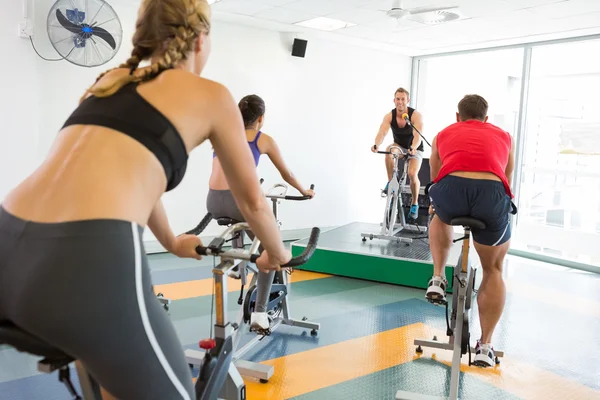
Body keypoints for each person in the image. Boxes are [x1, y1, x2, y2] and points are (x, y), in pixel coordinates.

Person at [0, 1, 292, 399]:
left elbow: (119, 172)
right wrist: (277, 254)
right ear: (201, 39)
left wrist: (171, 240)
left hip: (7, 237)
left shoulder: (108, 81)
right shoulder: (212, 96)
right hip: (84, 257)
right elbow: (255, 203)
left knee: (108, 376)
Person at [207, 94, 315, 332]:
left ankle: (239, 266)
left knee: (246, 225)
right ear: (261, 118)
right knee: (271, 250)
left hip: (213, 203)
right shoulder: (261, 139)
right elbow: (287, 174)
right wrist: (304, 190)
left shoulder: (222, 134)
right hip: (239, 202)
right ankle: (260, 313)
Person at [426, 94, 515, 368]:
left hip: (452, 191)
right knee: (494, 269)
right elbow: (506, 177)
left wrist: (439, 203)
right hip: (491, 195)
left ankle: (438, 277)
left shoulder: (444, 133)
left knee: (438, 212)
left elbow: (435, 176)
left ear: (458, 117)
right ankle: (485, 346)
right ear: (486, 119)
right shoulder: (504, 136)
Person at [372, 87, 425, 220]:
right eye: (397, 99)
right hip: (400, 146)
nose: (400, 102)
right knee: (390, 150)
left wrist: (413, 147)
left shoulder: (415, 115)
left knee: (412, 174)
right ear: (394, 100)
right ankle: (391, 182)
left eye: (403, 99)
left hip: (415, 148)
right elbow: (382, 132)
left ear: (408, 100)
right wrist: (377, 144)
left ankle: (414, 204)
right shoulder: (389, 116)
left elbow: (417, 135)